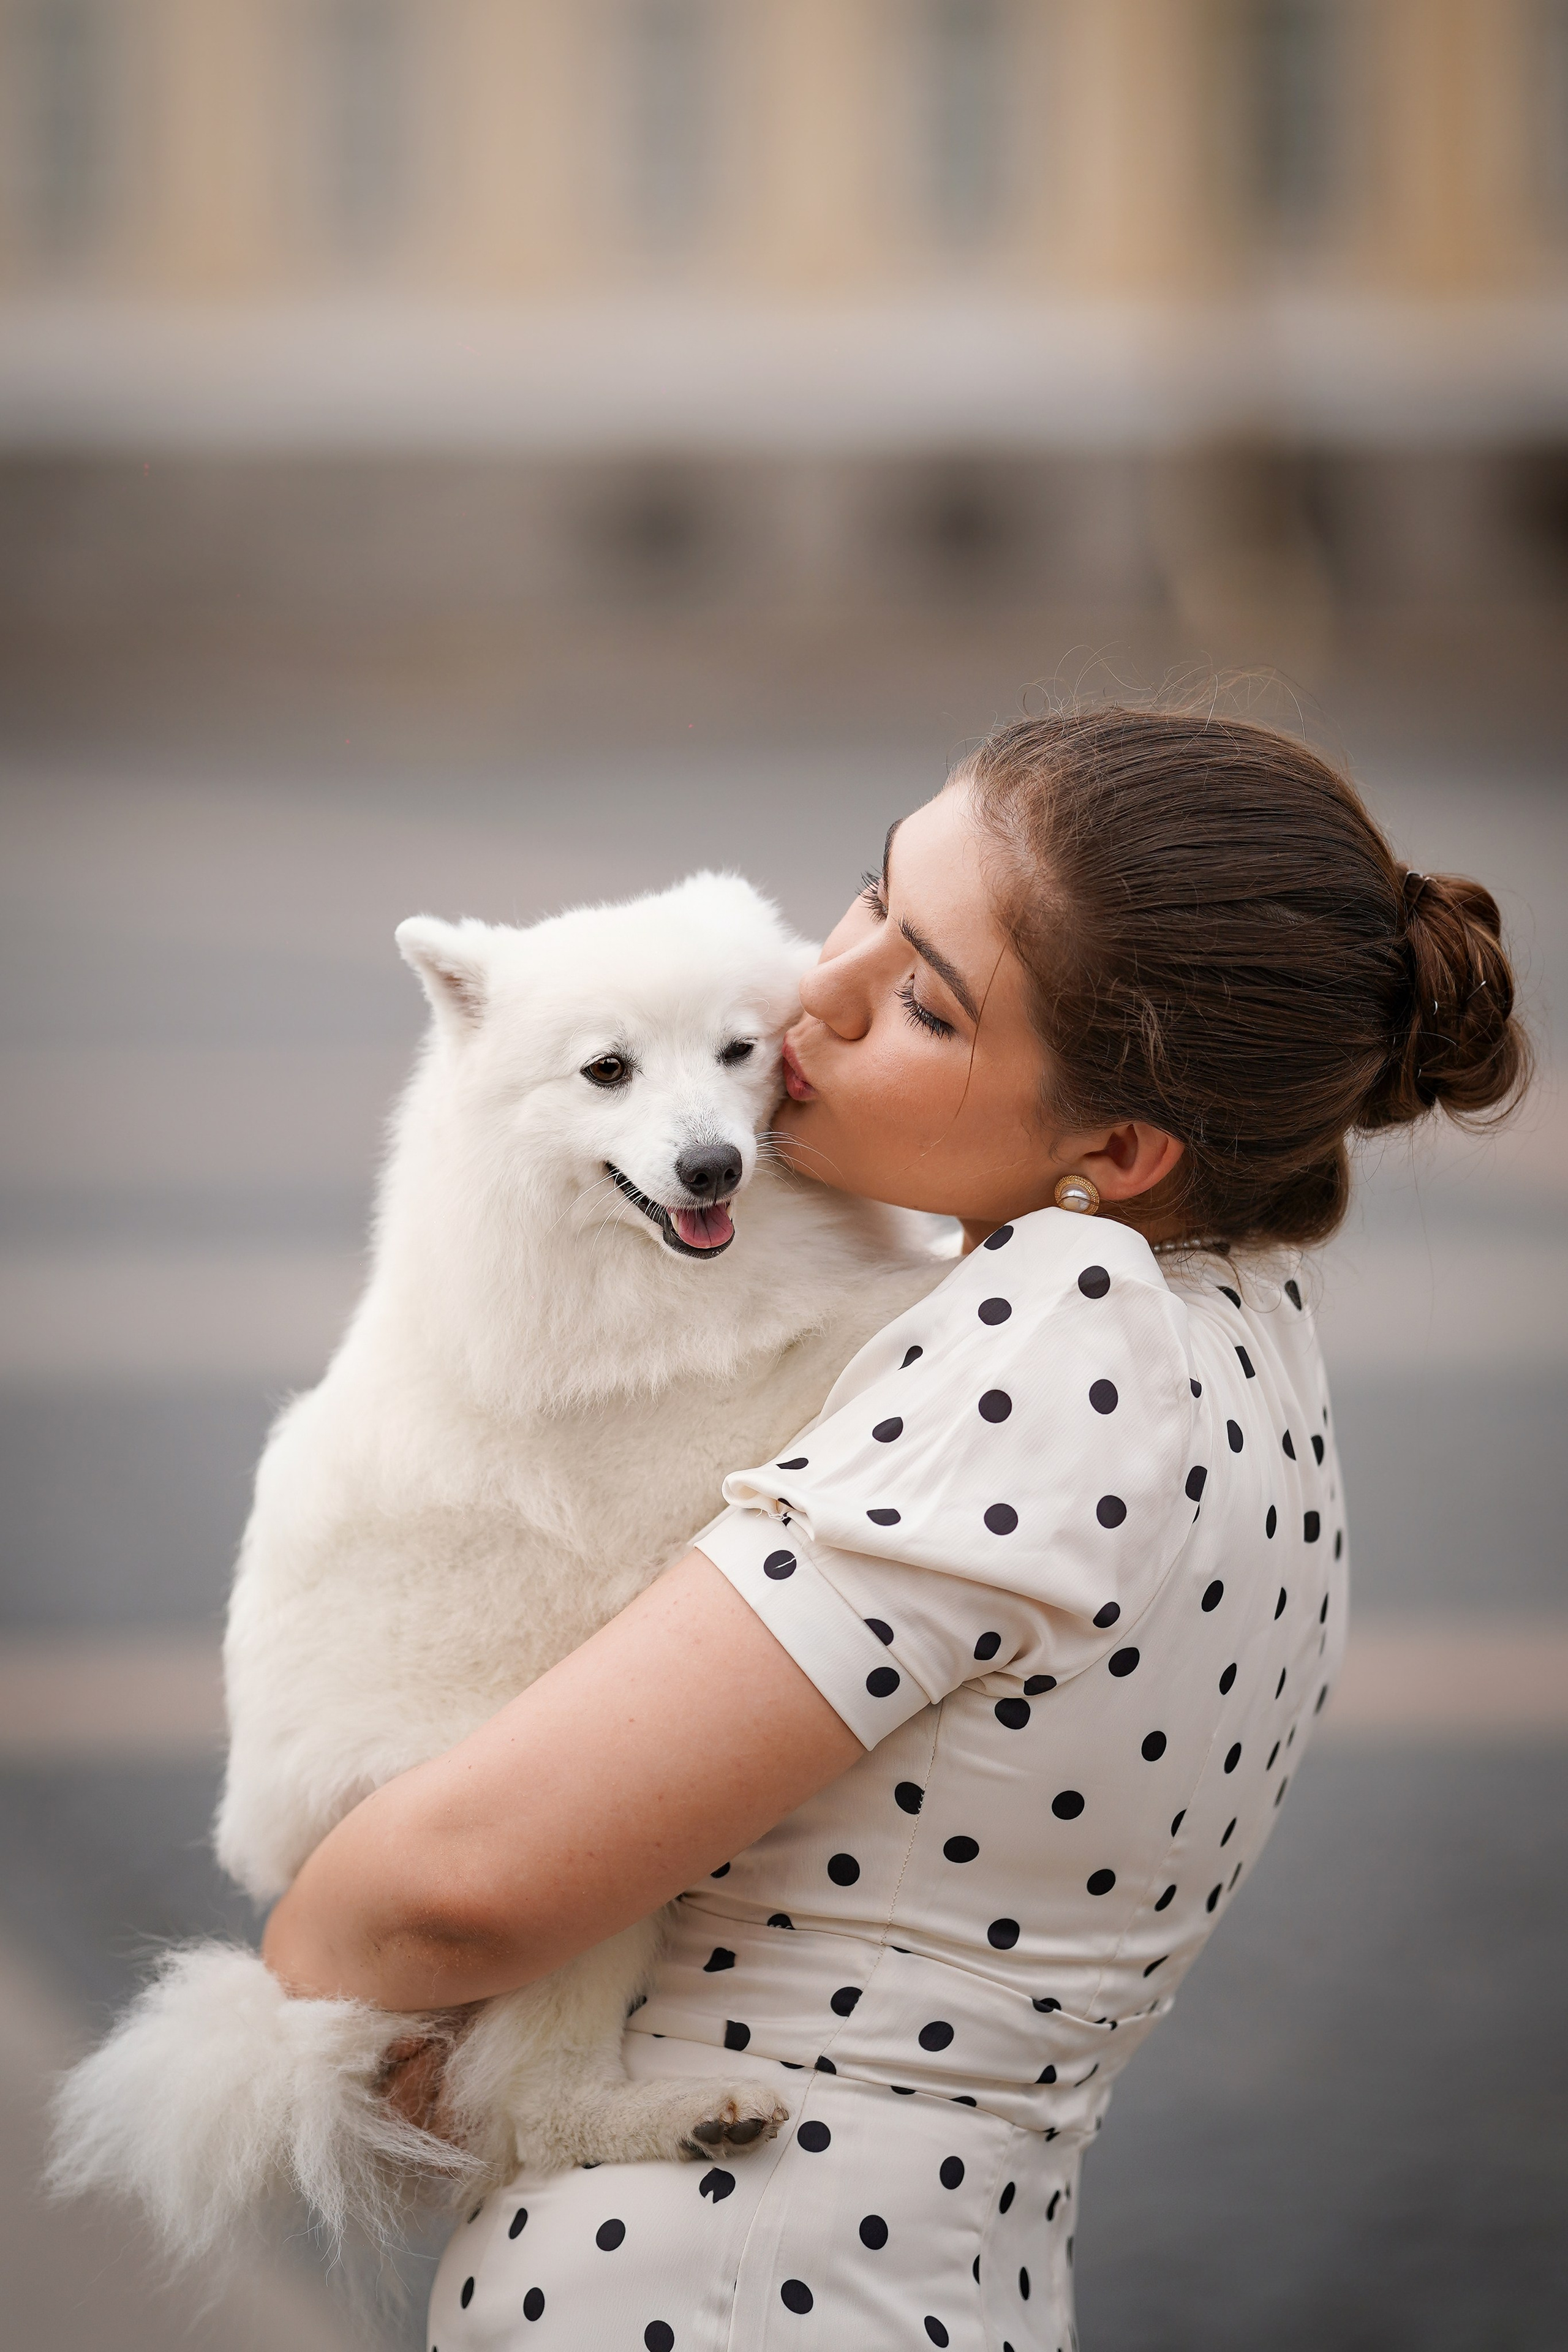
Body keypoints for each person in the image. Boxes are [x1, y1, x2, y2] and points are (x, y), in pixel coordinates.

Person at [262, 707, 1528, 2352]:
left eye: (925, 999)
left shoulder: (1063, 1332)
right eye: (869, 896)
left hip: (716, 2290)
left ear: (1121, 1152)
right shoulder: (1238, 1326)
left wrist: (323, 1952)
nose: (820, 993)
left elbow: (442, 1893)